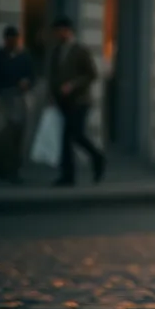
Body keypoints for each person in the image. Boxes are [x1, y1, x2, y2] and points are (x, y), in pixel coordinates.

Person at [47, 17, 105, 186]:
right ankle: (68, 175)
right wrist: (52, 94)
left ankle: (97, 157)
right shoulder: (57, 51)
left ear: (67, 30)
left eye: (59, 31)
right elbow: (54, 75)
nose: (57, 35)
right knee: (66, 138)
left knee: (76, 134)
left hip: (80, 101)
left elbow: (92, 74)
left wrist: (73, 85)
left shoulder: (80, 50)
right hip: (63, 101)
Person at [0, 26, 35, 184]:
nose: (13, 42)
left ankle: (14, 170)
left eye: (15, 39)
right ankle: (1, 167)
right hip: (3, 97)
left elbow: (32, 76)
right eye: (10, 39)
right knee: (2, 134)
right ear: (5, 40)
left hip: (18, 98)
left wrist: (27, 82)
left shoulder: (24, 57)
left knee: (17, 133)